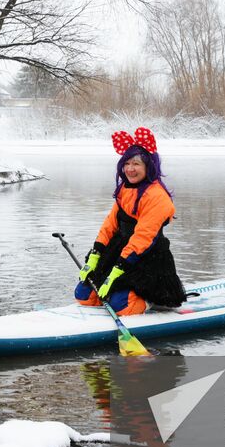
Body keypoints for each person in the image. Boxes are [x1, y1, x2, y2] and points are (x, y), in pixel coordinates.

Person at [74, 126, 187, 315]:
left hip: (145, 257)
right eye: (126, 163)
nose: (130, 169)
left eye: (136, 164)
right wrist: (95, 254)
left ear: (148, 166)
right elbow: (110, 224)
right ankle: (120, 293)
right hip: (119, 250)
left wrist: (117, 270)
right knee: (84, 296)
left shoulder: (157, 197)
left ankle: (152, 301)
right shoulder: (125, 190)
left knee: (121, 306)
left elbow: (143, 238)